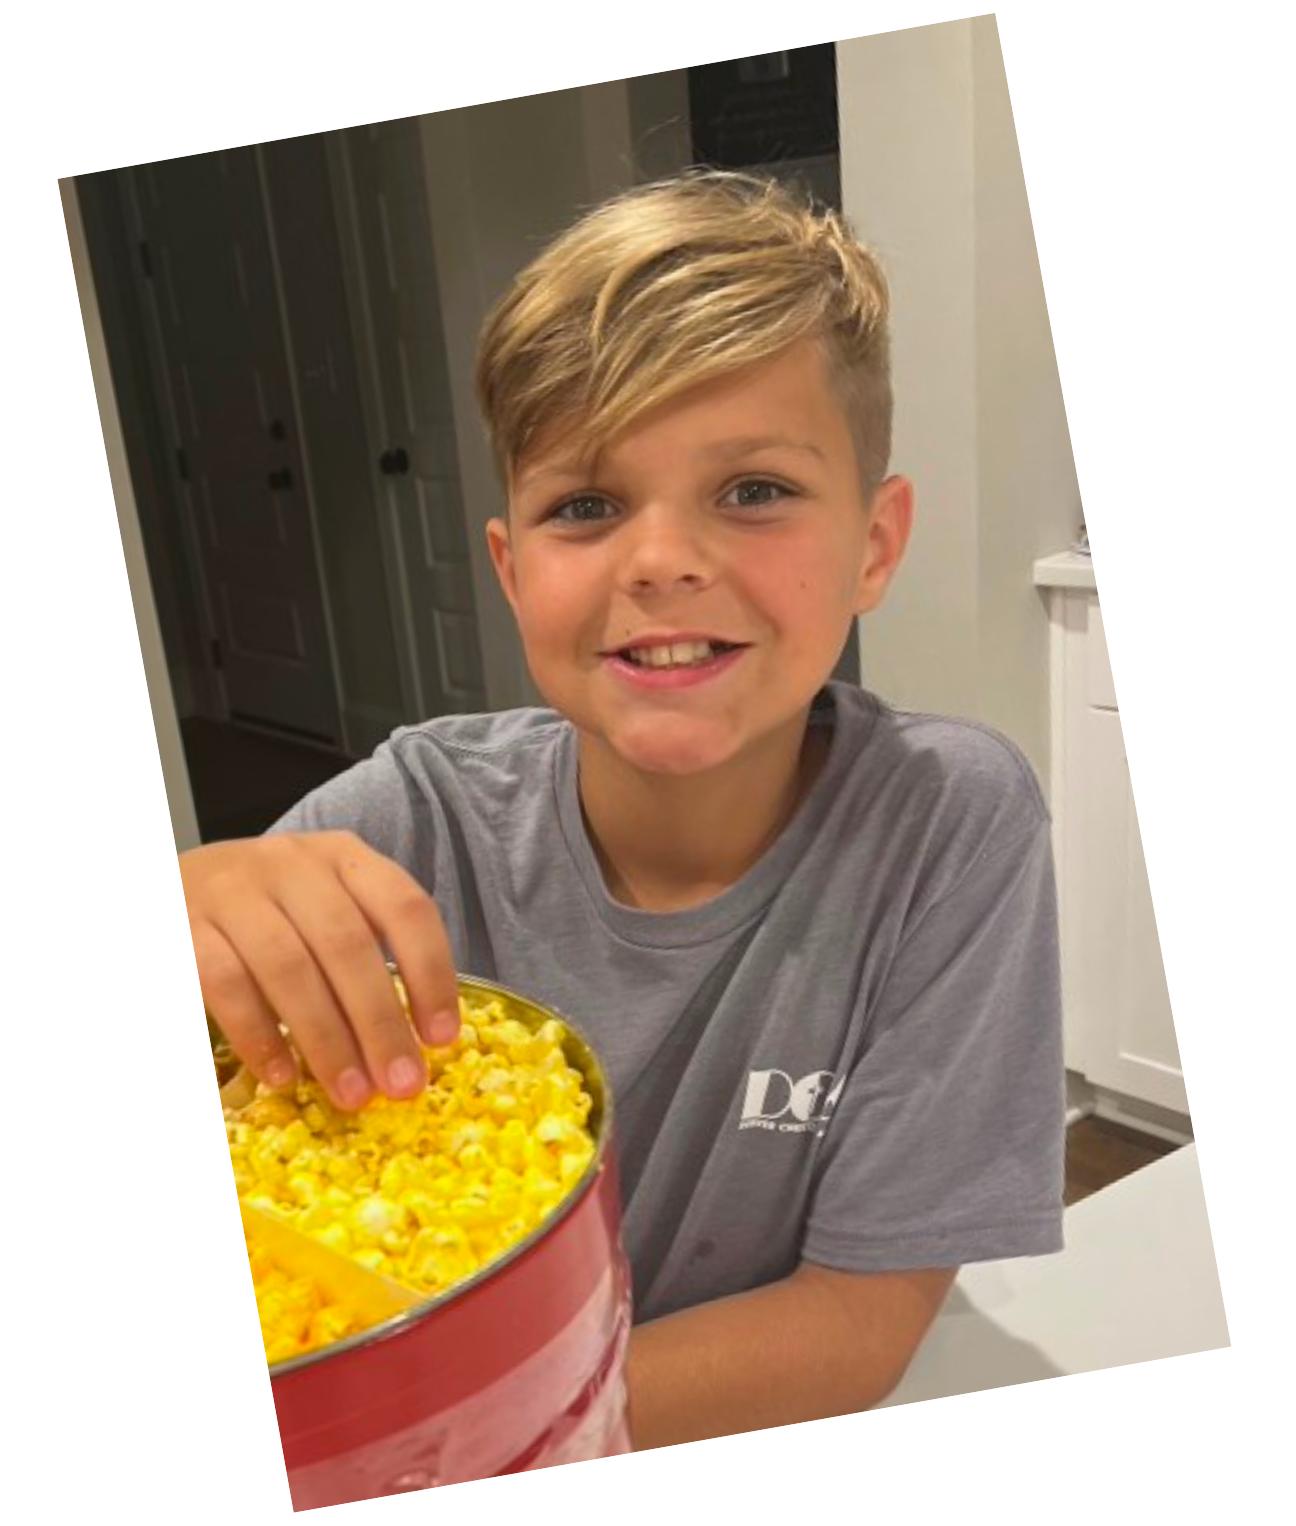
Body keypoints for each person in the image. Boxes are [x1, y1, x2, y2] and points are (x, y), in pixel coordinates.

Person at [183, 171, 1065, 1450]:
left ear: (876, 544)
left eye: (753, 489)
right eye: (586, 506)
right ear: (511, 570)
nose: (661, 560)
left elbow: (855, 1320)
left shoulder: (947, 823)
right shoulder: (401, 821)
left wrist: (460, 1436)